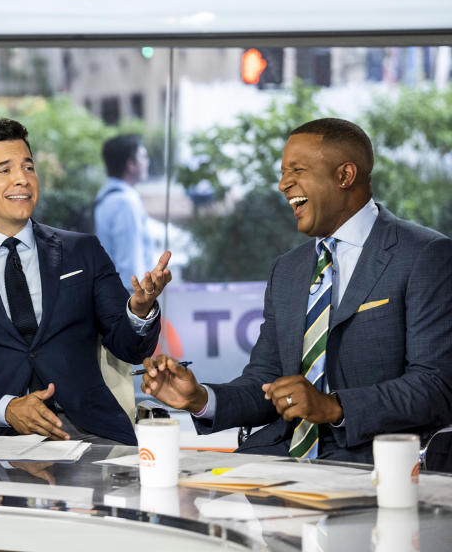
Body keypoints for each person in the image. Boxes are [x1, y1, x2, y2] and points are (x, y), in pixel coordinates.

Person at [142, 118, 452, 462]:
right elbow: (266, 381)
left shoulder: (425, 256)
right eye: (282, 171)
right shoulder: (288, 270)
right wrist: (200, 398)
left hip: (371, 462)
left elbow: (435, 386)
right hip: (279, 456)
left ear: (345, 176)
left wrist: (333, 407)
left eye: (297, 170)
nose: (283, 184)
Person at [0, 118, 171, 444]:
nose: (22, 179)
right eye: (5, 170)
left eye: (28, 168)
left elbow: (129, 347)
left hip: (86, 432)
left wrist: (139, 309)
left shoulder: (81, 251)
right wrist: (5, 409)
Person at [95, 134, 153, 288]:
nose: (147, 162)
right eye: (143, 157)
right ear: (131, 164)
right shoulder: (125, 203)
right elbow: (129, 267)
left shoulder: (105, 196)